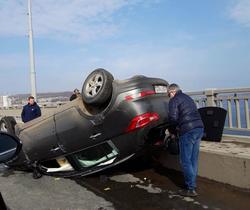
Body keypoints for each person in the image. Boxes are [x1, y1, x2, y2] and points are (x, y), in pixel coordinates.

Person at [167, 83, 204, 197]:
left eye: (168, 94)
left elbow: (173, 118)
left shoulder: (174, 100)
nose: (169, 96)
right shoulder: (187, 97)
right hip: (199, 128)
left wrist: (172, 132)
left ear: (172, 92)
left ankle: (190, 188)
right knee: (193, 159)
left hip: (187, 131)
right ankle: (193, 184)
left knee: (185, 160)